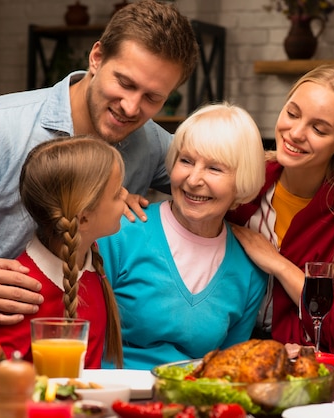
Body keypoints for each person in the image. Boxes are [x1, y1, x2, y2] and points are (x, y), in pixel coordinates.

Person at [0, 0, 198, 378]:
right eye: (124, 83)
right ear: (96, 57)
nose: (131, 106)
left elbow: (218, 173)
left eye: (153, 98)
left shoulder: (150, 145)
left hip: (59, 379)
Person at [227, 65, 334, 353]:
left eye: (318, 128)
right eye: (292, 113)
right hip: (226, 355)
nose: (295, 133)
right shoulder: (241, 182)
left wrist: (280, 266)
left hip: (306, 373)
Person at [96, 102, 268, 370]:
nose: (193, 179)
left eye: (214, 168)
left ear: (242, 181)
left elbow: (228, 369)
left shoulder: (249, 271)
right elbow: (75, 337)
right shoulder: (120, 233)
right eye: (186, 161)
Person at [0, 136, 125, 368]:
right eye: (117, 193)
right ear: (83, 218)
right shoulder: (22, 291)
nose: (126, 195)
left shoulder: (92, 262)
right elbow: (0, 381)